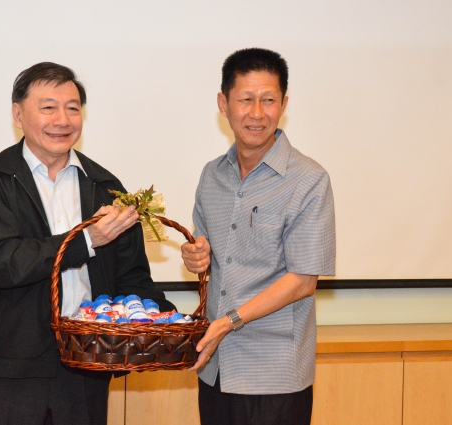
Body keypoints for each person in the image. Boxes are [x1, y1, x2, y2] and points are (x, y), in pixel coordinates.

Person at [0, 62, 174, 425]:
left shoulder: (106, 186)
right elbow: (5, 262)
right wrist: (87, 239)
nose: (62, 120)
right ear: (18, 115)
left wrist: (166, 323)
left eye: (73, 108)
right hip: (12, 371)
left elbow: (132, 277)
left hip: (87, 366)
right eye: (48, 107)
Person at [181, 48, 336, 425]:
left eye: (268, 100)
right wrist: (196, 256)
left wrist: (228, 322)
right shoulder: (212, 175)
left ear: (283, 104)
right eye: (245, 99)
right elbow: (206, 249)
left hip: (274, 374)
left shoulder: (309, 179)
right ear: (223, 104)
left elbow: (303, 280)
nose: (257, 113)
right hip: (215, 368)